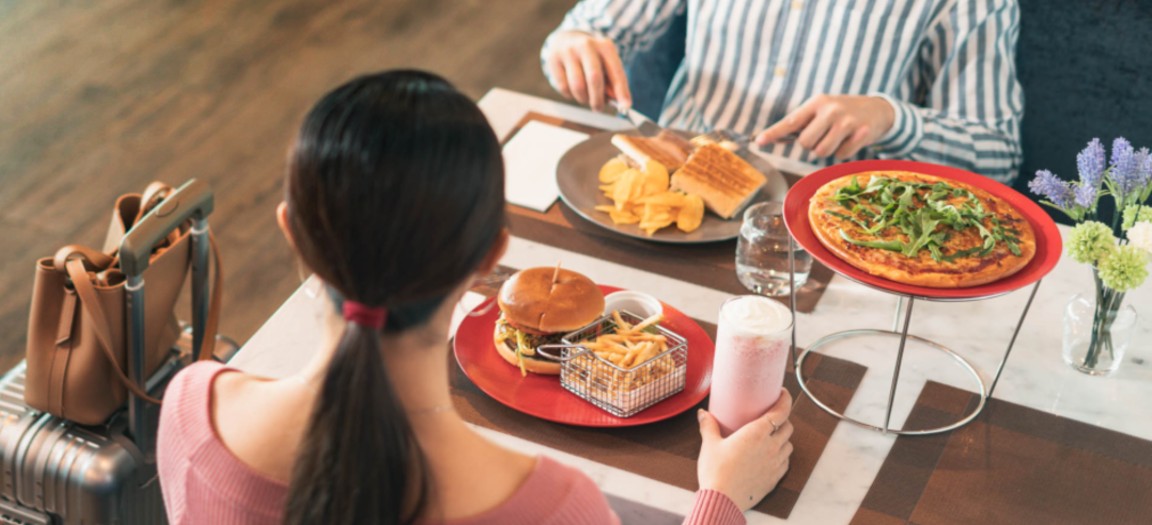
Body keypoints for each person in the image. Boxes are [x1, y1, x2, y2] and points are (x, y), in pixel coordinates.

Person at [156, 69, 795, 525]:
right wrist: (721, 499)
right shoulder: (554, 507)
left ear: (291, 228)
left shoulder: (189, 407)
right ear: (492, 255)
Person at [542, 0, 1024, 183]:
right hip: (671, 184)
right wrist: (572, 44)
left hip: (823, 221)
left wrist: (890, 118)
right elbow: (587, 28)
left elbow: (998, 153)